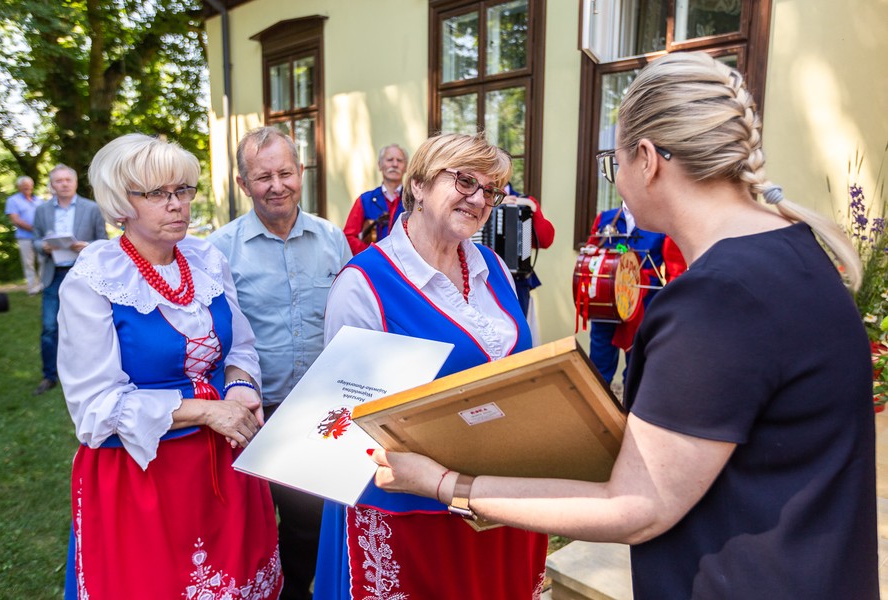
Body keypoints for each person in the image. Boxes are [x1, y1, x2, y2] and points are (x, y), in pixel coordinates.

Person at [365, 52, 877, 599]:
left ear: (648, 159)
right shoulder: (797, 253)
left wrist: (444, 484)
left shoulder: (716, 301)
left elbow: (635, 506)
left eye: (614, 163)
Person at [316, 133, 547, 600]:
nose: (479, 198)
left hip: (496, 495)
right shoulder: (364, 284)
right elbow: (345, 423)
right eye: (465, 181)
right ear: (418, 185)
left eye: (491, 189)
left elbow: (528, 369)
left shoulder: (495, 268)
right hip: (412, 515)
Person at [57, 133, 282, 599]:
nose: (177, 204)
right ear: (122, 203)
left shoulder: (206, 260)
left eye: (183, 190)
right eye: (158, 194)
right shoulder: (94, 280)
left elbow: (240, 346)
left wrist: (239, 388)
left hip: (225, 460)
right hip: (145, 472)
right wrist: (203, 410)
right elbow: (94, 408)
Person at [209, 126, 351, 600]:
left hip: (314, 410)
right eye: (263, 175)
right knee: (243, 521)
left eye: (285, 173)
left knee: (307, 521)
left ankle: (293, 593)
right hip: (247, 409)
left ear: (301, 173)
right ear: (242, 183)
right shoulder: (218, 251)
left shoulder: (333, 241)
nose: (276, 185)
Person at [583, 202, 685, 384]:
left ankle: (630, 410)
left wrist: (669, 309)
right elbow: (591, 259)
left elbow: (675, 272)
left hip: (643, 304)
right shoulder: (605, 218)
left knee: (637, 369)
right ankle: (597, 409)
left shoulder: (663, 221)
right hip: (606, 303)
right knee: (599, 364)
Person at [31, 164, 107, 395]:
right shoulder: (42, 210)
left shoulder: (91, 208)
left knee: (88, 326)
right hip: (54, 274)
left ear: (75, 183)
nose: (63, 184)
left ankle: (91, 373)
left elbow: (103, 242)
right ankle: (49, 376)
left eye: (67, 180)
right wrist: (43, 246)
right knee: (50, 327)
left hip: (83, 274)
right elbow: (34, 239)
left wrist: (85, 246)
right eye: (58, 181)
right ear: (51, 185)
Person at [500, 182, 556, 341]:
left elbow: (545, 240)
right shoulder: (477, 197)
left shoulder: (523, 200)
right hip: (480, 279)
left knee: (517, 336)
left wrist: (533, 207)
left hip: (517, 281)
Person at [342, 143, 407, 255]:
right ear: (379, 165)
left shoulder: (414, 200)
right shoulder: (365, 200)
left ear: (406, 167)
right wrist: (372, 254)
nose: (395, 164)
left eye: (399, 160)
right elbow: (348, 236)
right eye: (390, 160)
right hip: (373, 266)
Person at [4, 175, 45, 295]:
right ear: (19, 187)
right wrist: (34, 229)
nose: (27, 187)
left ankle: (43, 286)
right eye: (24, 185)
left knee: (44, 261)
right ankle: (32, 288)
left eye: (29, 185)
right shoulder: (13, 200)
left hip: (41, 237)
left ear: (32, 186)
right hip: (24, 237)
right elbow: (15, 219)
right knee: (28, 263)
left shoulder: (39, 200)